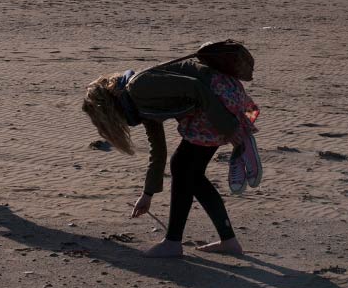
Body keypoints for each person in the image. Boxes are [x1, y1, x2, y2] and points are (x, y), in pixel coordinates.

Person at [82, 53, 260, 258]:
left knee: (182, 166)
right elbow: (157, 149)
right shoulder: (139, 104)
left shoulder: (139, 87)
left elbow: (195, 87)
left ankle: (173, 242)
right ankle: (228, 242)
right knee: (190, 173)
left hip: (219, 98)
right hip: (217, 100)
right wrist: (147, 194)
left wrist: (229, 129)